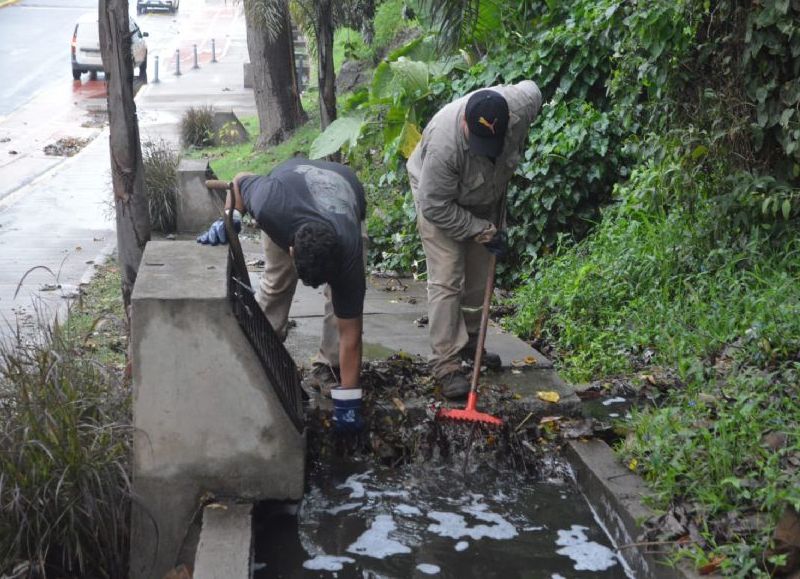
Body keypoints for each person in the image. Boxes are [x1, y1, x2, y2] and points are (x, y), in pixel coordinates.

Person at [197, 158, 367, 432]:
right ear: (291, 251)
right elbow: (239, 179)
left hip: (343, 192)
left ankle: (329, 367)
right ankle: (262, 351)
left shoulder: (348, 256)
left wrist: (349, 402)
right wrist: (232, 214)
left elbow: (352, 335)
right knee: (277, 283)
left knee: (340, 309)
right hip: (290, 185)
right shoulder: (269, 204)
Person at [406, 81, 542, 399]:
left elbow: (534, 87)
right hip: (438, 200)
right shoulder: (445, 145)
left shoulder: (521, 105)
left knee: (480, 278)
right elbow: (435, 206)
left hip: (485, 195)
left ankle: (469, 343)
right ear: (466, 124)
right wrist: (481, 229)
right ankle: (445, 364)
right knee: (447, 277)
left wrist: (489, 228)